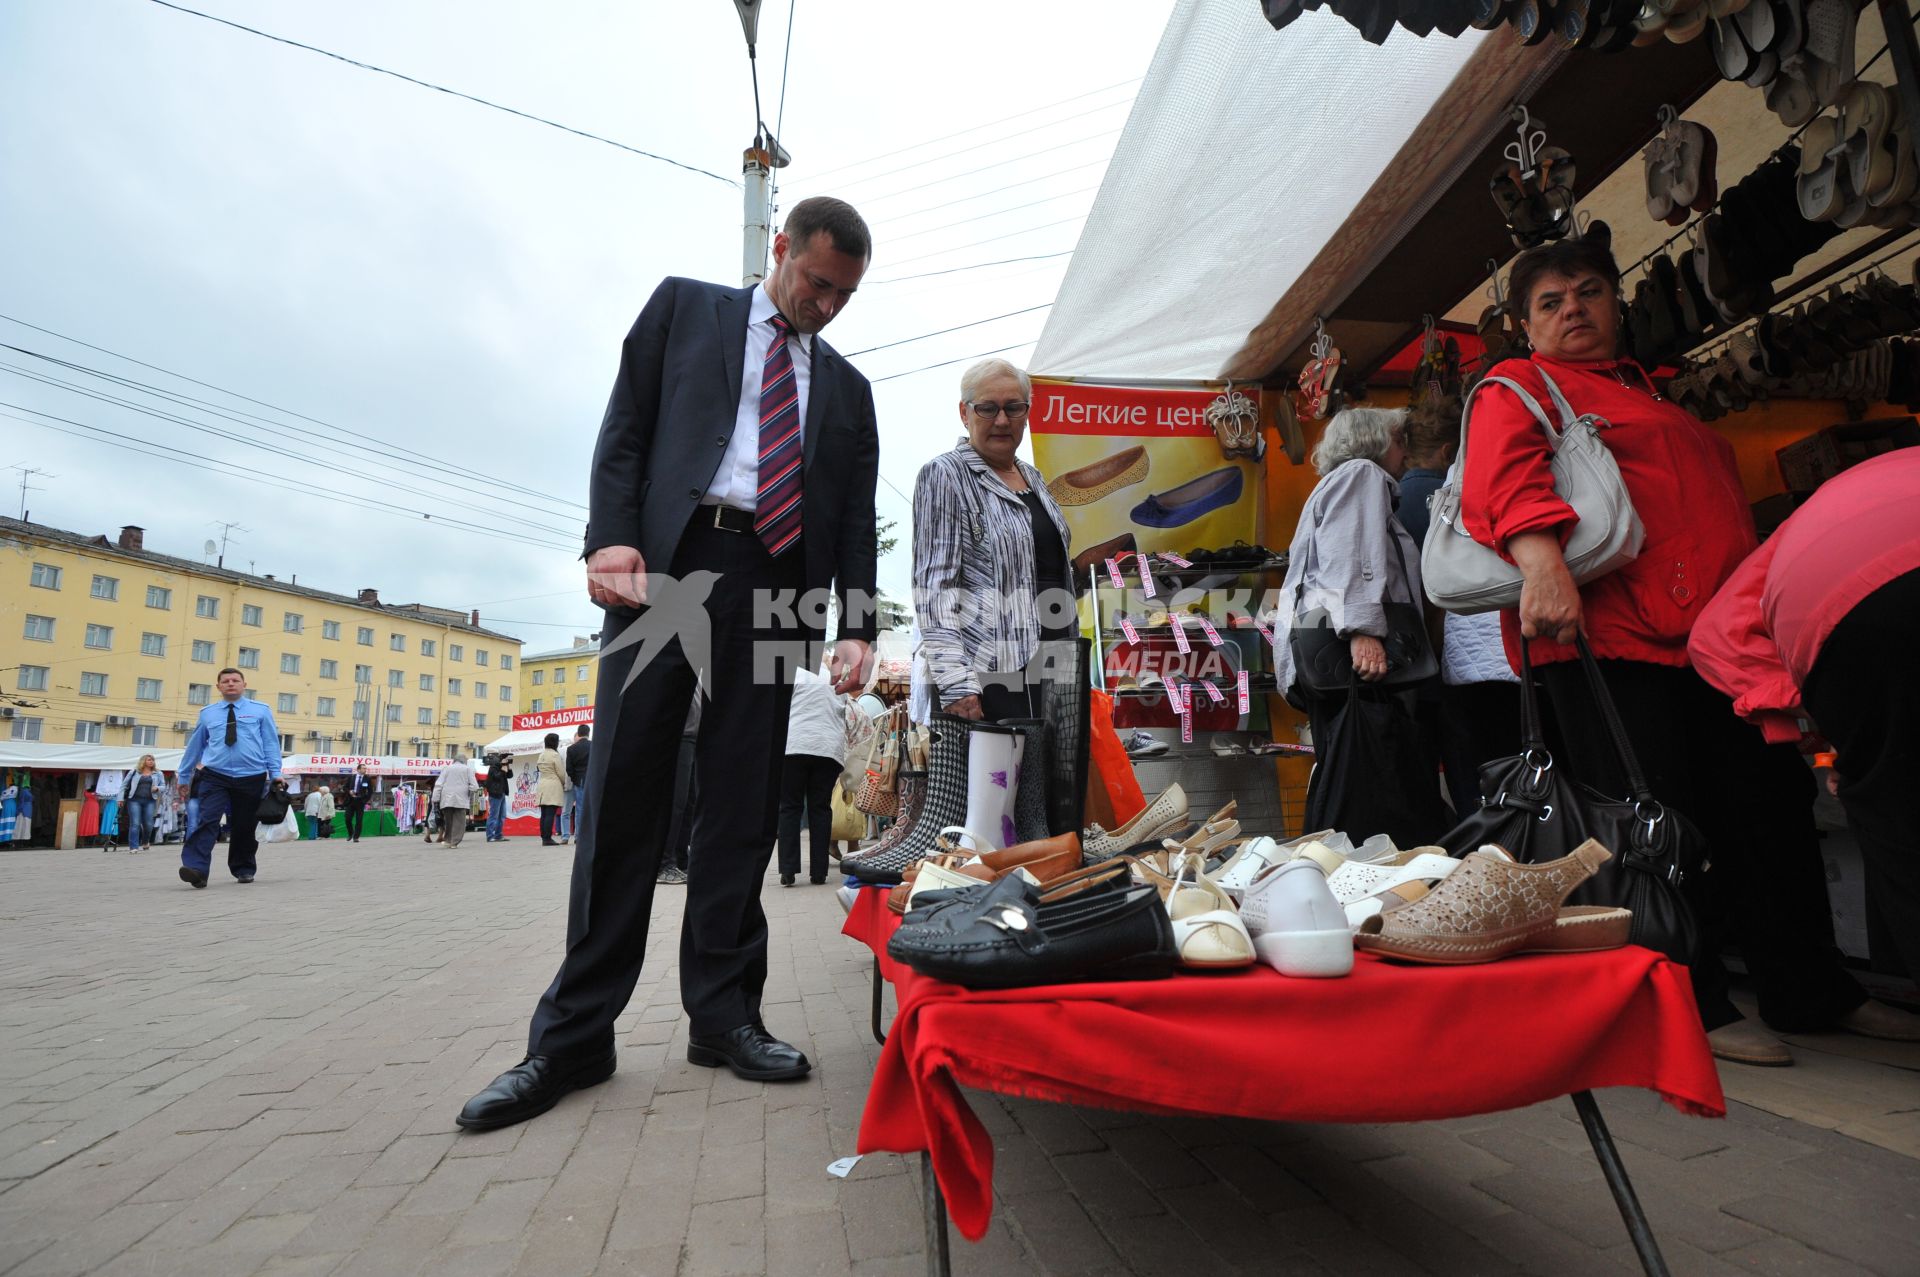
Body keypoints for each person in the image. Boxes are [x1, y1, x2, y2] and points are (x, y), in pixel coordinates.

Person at [457, 195, 879, 1132]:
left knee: (741, 801)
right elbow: (627, 429)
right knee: (629, 791)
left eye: (845, 295)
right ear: (781, 250)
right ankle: (574, 1036)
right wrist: (610, 538)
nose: (827, 306)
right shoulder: (685, 309)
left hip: (776, 586)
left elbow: (852, 514)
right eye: (817, 283)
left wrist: (856, 622)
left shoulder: (848, 391)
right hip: (670, 565)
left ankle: (724, 1016)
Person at [1459, 235, 1911, 1066]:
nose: (1574, 311)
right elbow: (1501, 478)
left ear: (1617, 305)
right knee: (1650, 825)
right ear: (1525, 326)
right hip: (1612, 640)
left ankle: (1812, 988)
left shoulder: (1648, 393)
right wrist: (1541, 564)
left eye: (1589, 292)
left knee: (1770, 813)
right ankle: (1685, 1000)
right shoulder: (1518, 385)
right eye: (1551, 303)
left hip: (1714, 643)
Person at [1691, 448, 1920, 1001]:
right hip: (1867, 602)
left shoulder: (1815, 522)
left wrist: (1827, 731)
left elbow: (1717, 638)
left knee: (1901, 818)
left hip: (1854, 610)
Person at [1275, 406, 1441, 844]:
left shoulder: (1334, 482)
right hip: (1351, 648)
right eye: (1399, 440)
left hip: (1325, 647)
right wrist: (1363, 629)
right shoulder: (1363, 476)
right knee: (1371, 768)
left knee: (1351, 765)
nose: (1405, 452)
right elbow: (1352, 557)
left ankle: (1340, 860)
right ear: (1378, 440)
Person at [909, 358, 1074, 723]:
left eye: (1013, 408)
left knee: (1055, 778)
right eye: (988, 408)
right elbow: (935, 588)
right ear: (964, 413)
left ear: (1027, 412)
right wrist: (955, 682)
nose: (1002, 420)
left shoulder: (1033, 478)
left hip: (1055, 665)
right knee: (1002, 779)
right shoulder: (945, 475)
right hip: (990, 675)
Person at [176, 667, 282, 888]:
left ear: (244, 685)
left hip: (252, 776)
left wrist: (276, 774)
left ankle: (243, 868)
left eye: (235, 680)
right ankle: (197, 869)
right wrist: (184, 776)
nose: (230, 684)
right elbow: (195, 746)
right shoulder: (208, 713)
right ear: (218, 687)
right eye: (225, 681)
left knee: (245, 825)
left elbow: (271, 744)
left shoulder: (261, 711)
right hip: (215, 776)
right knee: (208, 820)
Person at [778, 659, 849, 886]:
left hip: (794, 746)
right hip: (828, 748)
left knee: (790, 807)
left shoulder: (792, 674)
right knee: (820, 807)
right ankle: (819, 872)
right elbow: (842, 712)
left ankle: (788, 870)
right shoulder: (834, 679)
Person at [659, 695, 701, 886]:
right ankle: (664, 864)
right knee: (676, 803)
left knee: (688, 803)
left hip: (693, 739)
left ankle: (681, 860)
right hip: (680, 737)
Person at [120, 755, 164, 853]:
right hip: (134, 800)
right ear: (143, 761)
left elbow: (163, 786)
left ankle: (145, 841)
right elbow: (124, 785)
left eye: (152, 760)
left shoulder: (158, 773)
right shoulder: (134, 772)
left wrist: (157, 788)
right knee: (135, 823)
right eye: (149, 760)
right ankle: (133, 847)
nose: (151, 761)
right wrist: (120, 799)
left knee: (148, 824)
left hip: (150, 801)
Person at [436, 753, 475, 848]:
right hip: (461, 799)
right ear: (464, 761)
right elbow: (474, 786)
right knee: (459, 822)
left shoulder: (446, 768)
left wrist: (435, 798)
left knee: (448, 820)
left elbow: (439, 784)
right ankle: (454, 842)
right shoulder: (467, 769)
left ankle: (448, 840)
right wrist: (469, 793)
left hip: (447, 799)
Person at [535, 733, 566, 846]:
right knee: (550, 813)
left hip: (542, 784)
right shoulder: (554, 755)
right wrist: (564, 783)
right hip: (553, 784)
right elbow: (561, 772)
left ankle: (544, 836)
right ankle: (547, 838)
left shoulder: (541, 754)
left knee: (544, 813)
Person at [563, 725, 591, 845]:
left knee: (579, 809)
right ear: (588, 733)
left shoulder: (571, 749)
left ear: (578, 734)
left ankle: (578, 836)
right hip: (592, 780)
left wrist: (575, 779)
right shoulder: (594, 745)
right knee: (592, 808)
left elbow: (569, 769)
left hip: (578, 781)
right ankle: (590, 834)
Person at [484, 753, 514, 842]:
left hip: (502, 793)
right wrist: (503, 770)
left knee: (502, 816)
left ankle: (498, 835)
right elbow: (496, 777)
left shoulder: (502, 766)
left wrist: (508, 767)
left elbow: (510, 776)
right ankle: (490, 836)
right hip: (495, 794)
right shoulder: (493, 767)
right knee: (494, 816)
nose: (506, 760)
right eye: (504, 759)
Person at [343, 764, 373, 842]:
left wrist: (365, 800)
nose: (365, 770)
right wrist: (349, 791)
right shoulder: (351, 777)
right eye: (363, 768)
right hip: (351, 800)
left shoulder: (367, 778)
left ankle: (356, 837)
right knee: (347, 818)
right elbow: (345, 787)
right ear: (358, 769)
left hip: (360, 801)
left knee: (359, 820)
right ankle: (350, 833)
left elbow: (370, 791)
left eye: (365, 768)